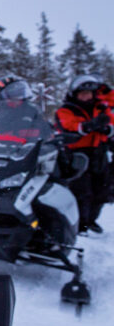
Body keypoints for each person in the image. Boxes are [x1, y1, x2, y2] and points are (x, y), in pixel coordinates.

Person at [55, 74, 112, 233]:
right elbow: (69, 126)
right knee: (81, 190)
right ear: (75, 94)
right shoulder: (67, 109)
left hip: (99, 152)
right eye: (82, 93)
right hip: (76, 153)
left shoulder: (101, 107)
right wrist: (89, 126)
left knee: (101, 189)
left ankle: (91, 220)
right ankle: (80, 223)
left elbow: (111, 122)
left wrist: (107, 129)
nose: (86, 97)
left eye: (89, 93)